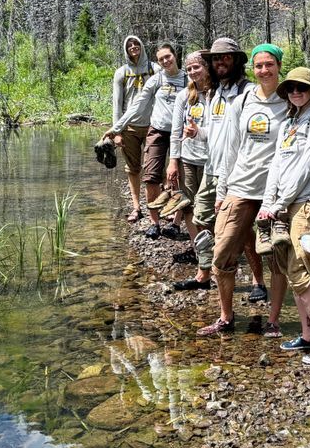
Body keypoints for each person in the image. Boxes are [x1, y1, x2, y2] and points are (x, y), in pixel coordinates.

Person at [198, 43, 287, 336]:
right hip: (240, 187)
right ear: (253, 68)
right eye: (259, 65)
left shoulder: (289, 101)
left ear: (278, 67)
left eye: (269, 65)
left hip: (274, 195)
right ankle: (226, 317)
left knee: (276, 258)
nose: (264, 70)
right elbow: (230, 150)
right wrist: (222, 192)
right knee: (222, 255)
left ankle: (273, 321)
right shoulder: (243, 101)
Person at [259, 67, 310, 365]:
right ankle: (307, 337)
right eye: (291, 88)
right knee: (293, 275)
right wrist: (269, 202)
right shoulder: (289, 122)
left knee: (301, 273)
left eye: (301, 88)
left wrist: (279, 204)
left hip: (308, 207)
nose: (295, 93)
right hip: (285, 205)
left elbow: (306, 167)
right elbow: (276, 166)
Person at [175, 37, 263, 295]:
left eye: (225, 57)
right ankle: (204, 274)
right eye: (215, 58)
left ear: (236, 60)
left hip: (237, 174)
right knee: (201, 218)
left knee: (244, 231)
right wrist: (197, 133)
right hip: (212, 170)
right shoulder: (214, 93)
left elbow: (251, 136)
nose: (220, 62)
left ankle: (258, 281)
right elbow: (214, 133)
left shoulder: (248, 93)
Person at [104, 43, 185, 239]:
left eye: (168, 56)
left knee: (180, 177)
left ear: (175, 56)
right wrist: (117, 128)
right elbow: (137, 105)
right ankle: (154, 222)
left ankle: (176, 221)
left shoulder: (187, 78)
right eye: (161, 59)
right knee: (151, 177)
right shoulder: (156, 79)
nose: (165, 61)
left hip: (181, 133)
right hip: (157, 131)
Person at [110, 35, 159, 221]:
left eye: (136, 43)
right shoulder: (121, 72)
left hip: (152, 125)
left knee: (155, 168)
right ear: (125, 49)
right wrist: (116, 132)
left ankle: (158, 206)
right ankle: (137, 207)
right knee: (133, 169)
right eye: (129, 45)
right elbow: (117, 103)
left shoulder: (154, 69)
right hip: (129, 127)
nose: (133, 47)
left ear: (141, 46)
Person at [166, 50, 212, 246]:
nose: (193, 72)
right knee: (187, 205)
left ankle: (213, 248)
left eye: (197, 67)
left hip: (210, 160)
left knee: (207, 209)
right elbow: (175, 131)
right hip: (187, 159)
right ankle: (197, 248)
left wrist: (199, 131)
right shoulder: (184, 95)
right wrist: (173, 161)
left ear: (207, 67)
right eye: (189, 69)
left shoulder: (217, 93)